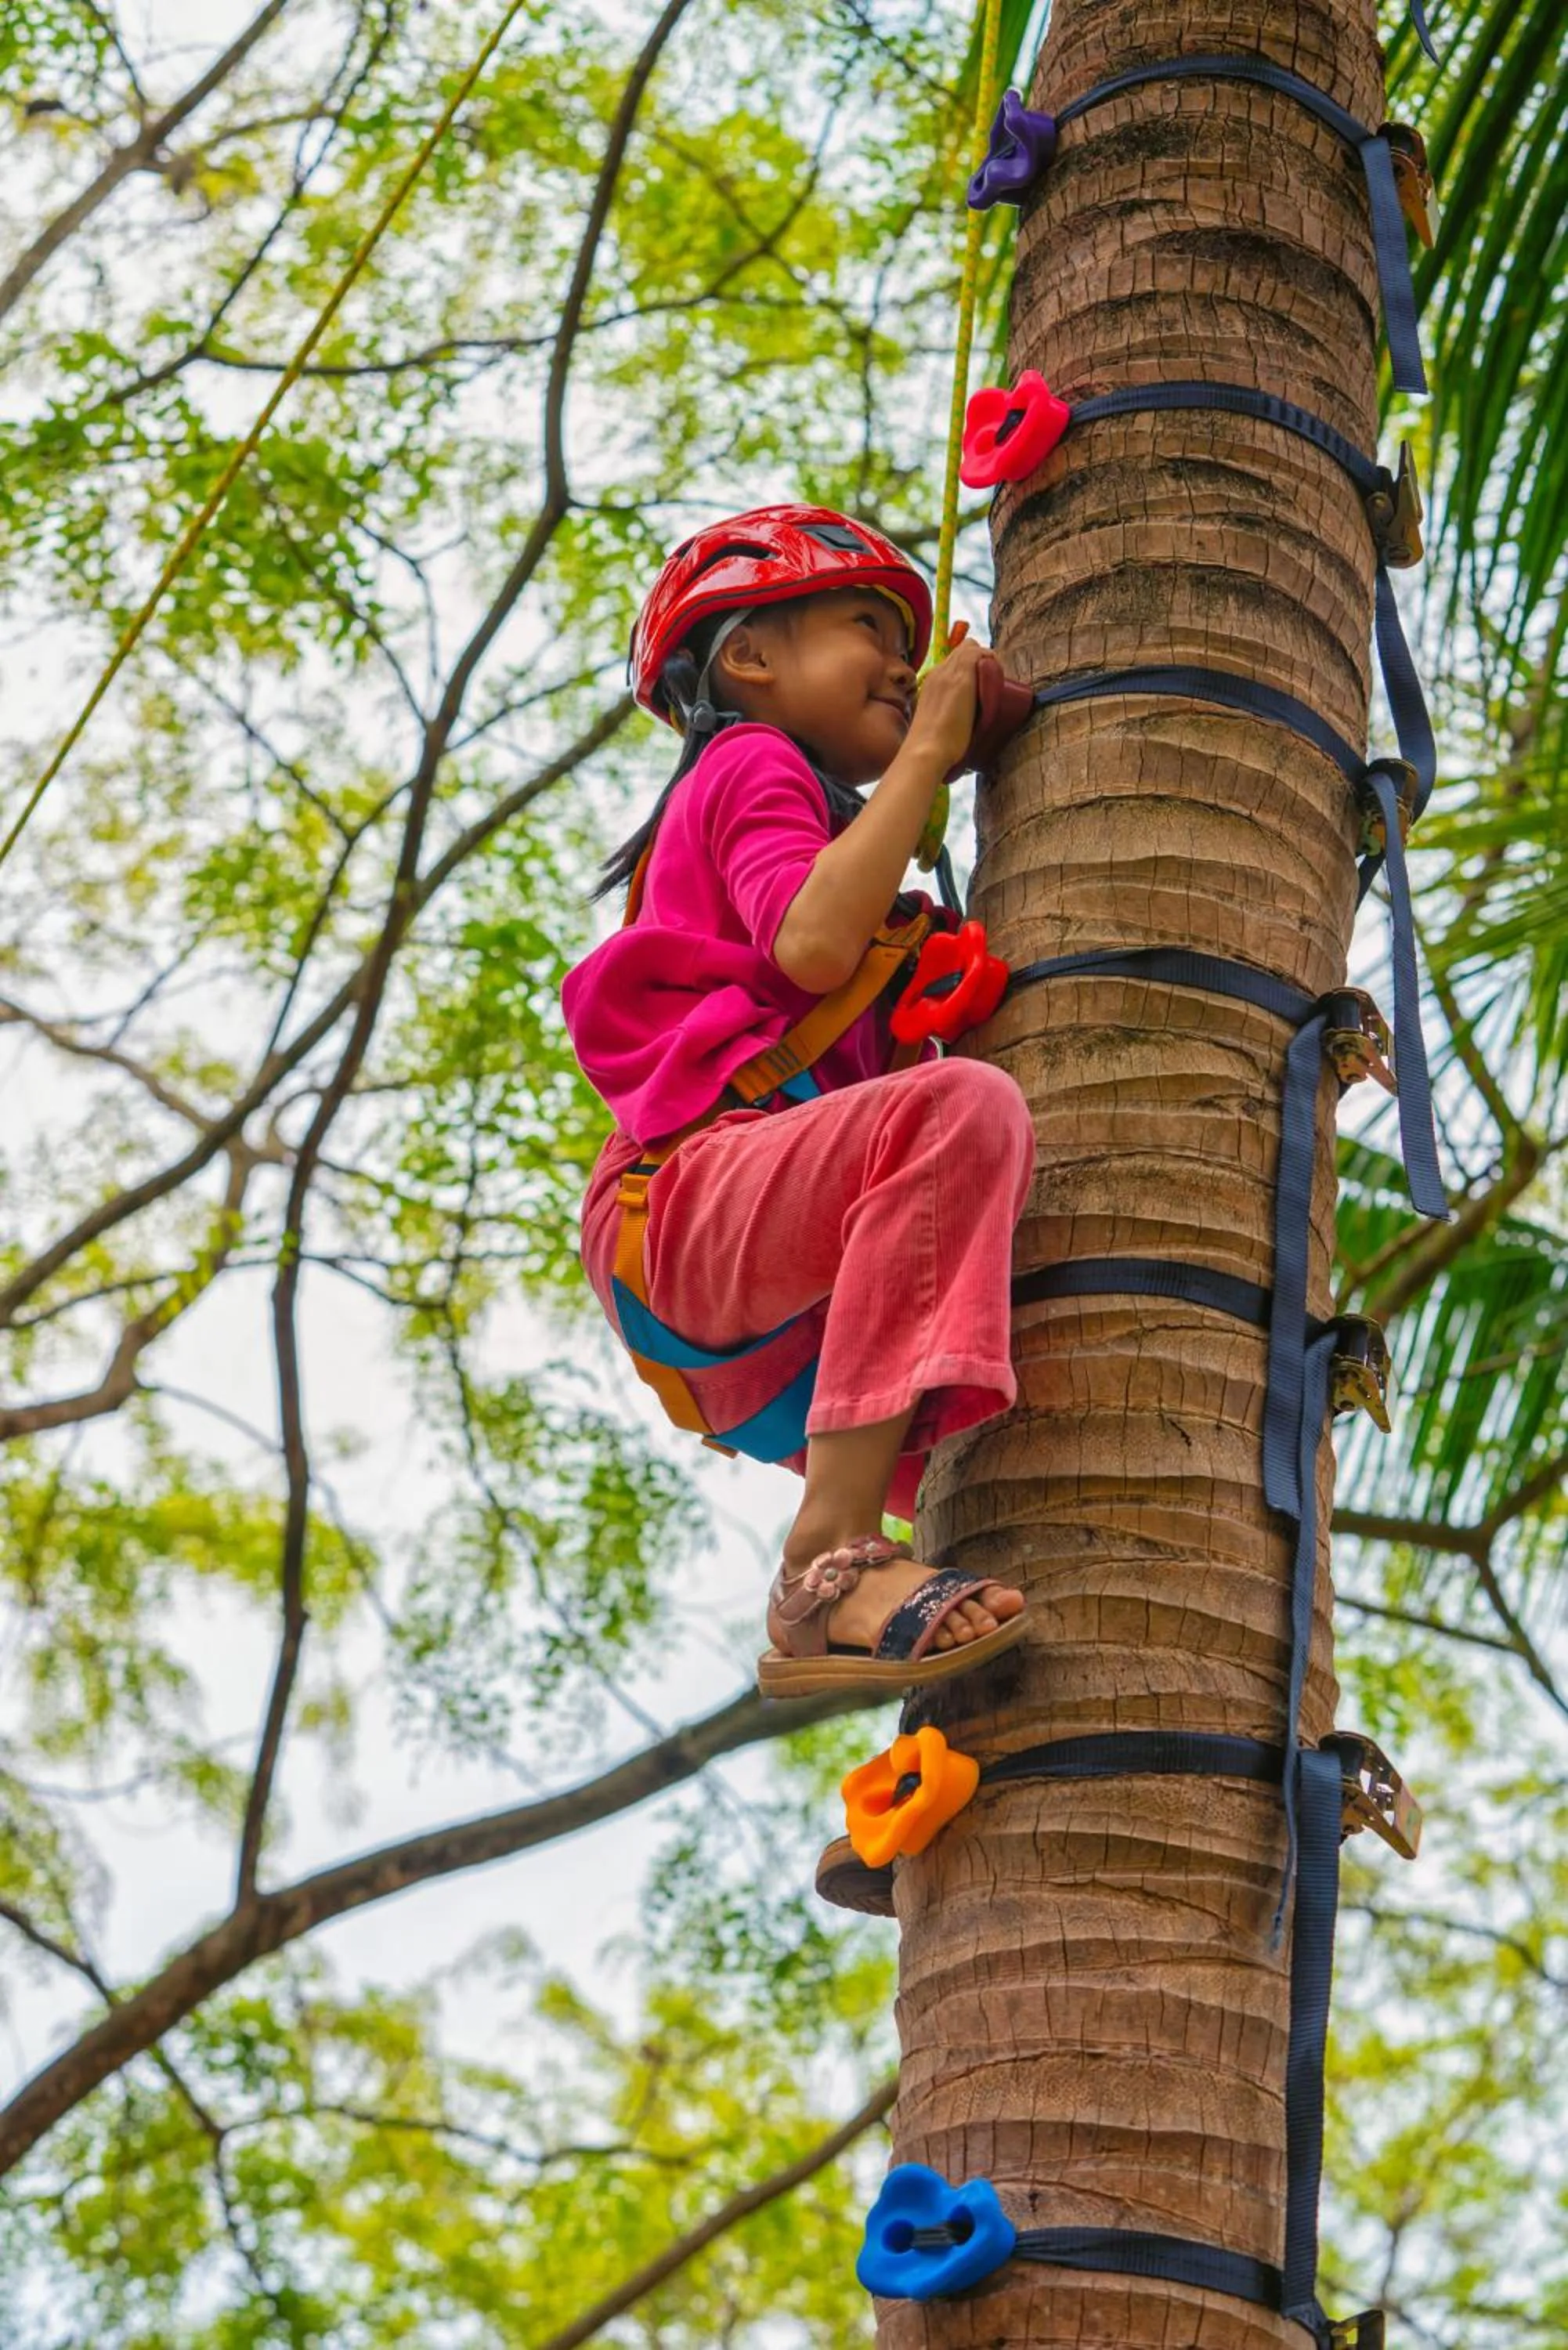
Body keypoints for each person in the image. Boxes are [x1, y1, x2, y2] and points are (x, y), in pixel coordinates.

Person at [562, 504, 1035, 1698]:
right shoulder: (750, 760)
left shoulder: (845, 833)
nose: (898, 661)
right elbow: (810, 944)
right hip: (685, 1210)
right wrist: (928, 752)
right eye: (867, 627)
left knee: (1040, 1419)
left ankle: (896, 1598)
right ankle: (827, 1564)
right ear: (750, 659)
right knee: (954, 1112)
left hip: (776, 1341)